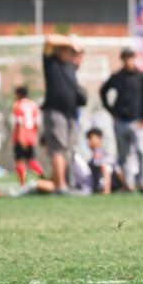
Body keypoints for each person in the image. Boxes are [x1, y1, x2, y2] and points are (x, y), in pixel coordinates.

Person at [99, 47, 143, 192]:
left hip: (138, 121)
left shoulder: (142, 77)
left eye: (131, 58)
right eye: (126, 58)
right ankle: (129, 184)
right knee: (124, 155)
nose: (128, 61)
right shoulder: (117, 77)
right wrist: (111, 111)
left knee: (142, 152)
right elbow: (103, 92)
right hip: (120, 121)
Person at [42, 34, 85, 194]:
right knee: (58, 149)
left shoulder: (70, 66)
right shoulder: (51, 61)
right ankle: (60, 186)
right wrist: (71, 41)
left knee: (67, 150)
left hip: (70, 113)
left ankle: (62, 183)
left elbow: (80, 56)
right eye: (68, 50)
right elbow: (48, 39)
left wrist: (78, 49)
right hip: (55, 111)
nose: (70, 53)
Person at [11, 86, 45, 185]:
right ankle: (41, 174)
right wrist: (34, 136)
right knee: (31, 159)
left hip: (20, 137)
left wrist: (21, 138)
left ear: (19, 94)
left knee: (19, 160)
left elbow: (20, 123)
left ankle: (22, 183)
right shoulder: (33, 105)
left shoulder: (17, 105)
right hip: (31, 136)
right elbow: (37, 124)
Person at [86, 127, 125, 194]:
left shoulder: (101, 154)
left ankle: (106, 192)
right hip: (102, 184)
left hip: (105, 184)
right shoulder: (95, 154)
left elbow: (111, 170)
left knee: (105, 167)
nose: (88, 141)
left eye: (91, 138)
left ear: (100, 138)